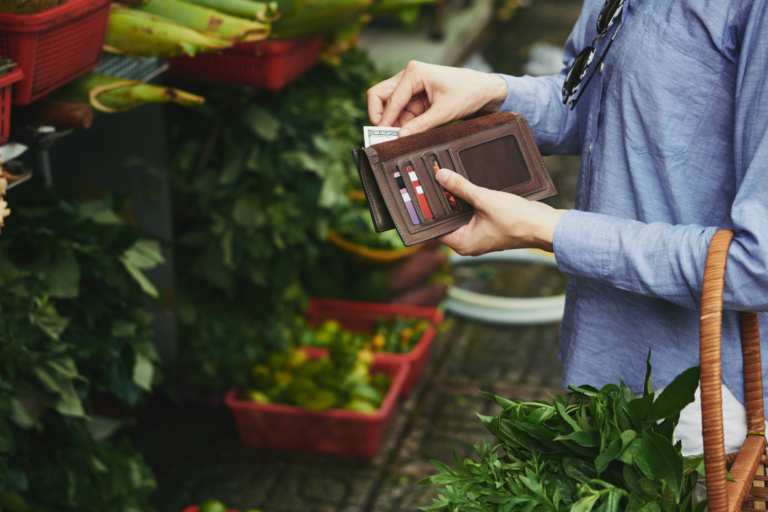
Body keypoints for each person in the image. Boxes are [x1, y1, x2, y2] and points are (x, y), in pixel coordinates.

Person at [366, 0, 768, 456]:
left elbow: (757, 267)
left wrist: (549, 229)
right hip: (604, 352)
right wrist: (490, 90)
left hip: (702, 396)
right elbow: (597, 107)